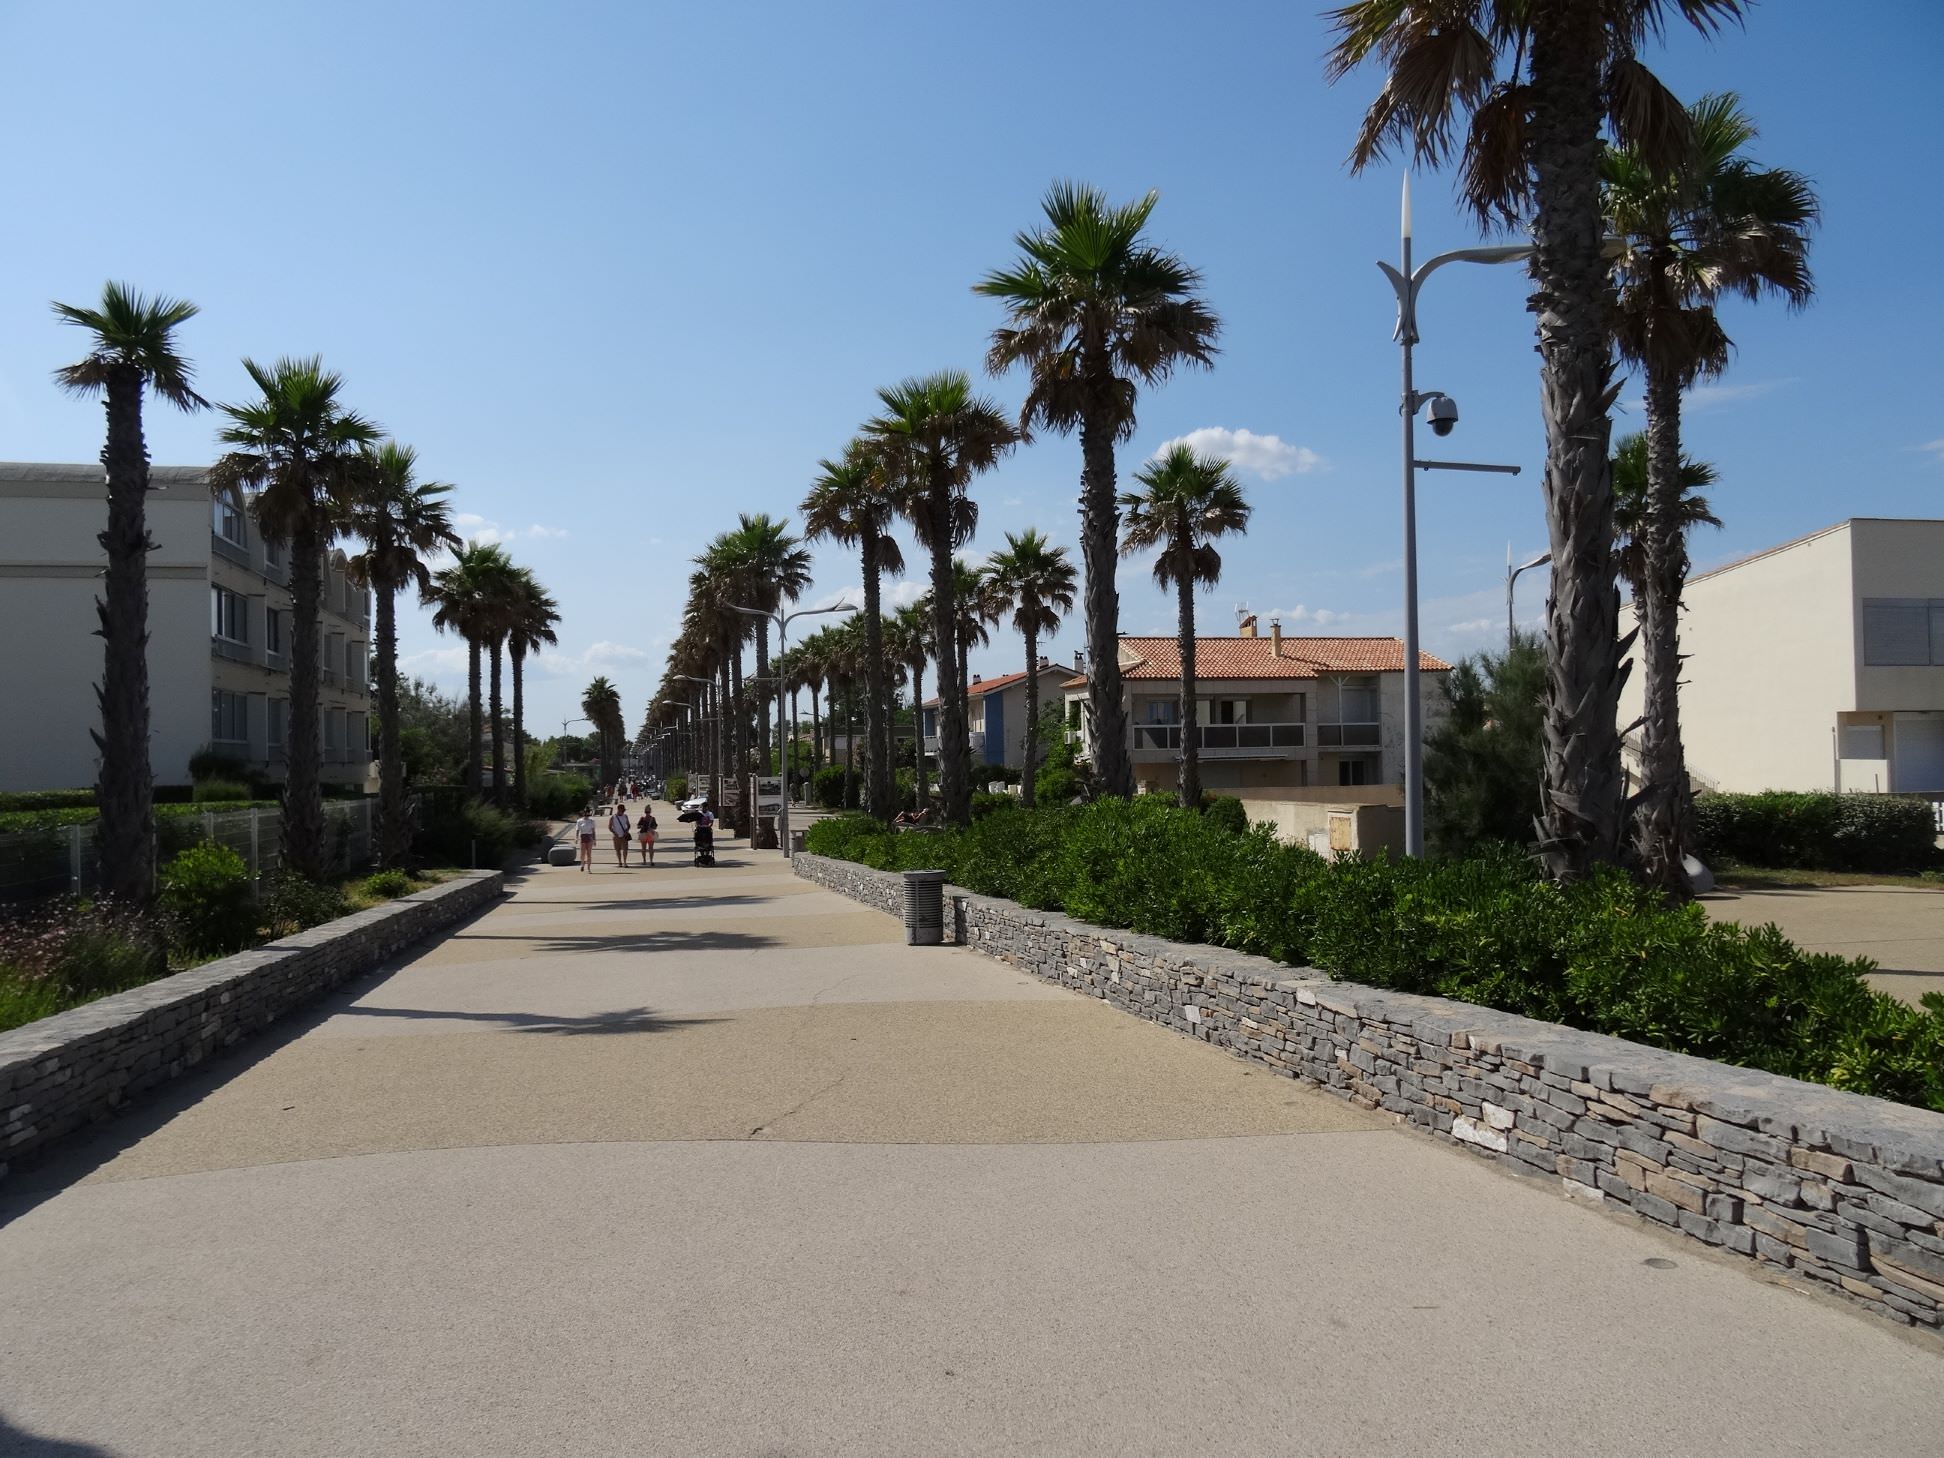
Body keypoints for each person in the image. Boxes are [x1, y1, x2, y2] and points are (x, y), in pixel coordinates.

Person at [608, 803, 632, 867]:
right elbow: (610, 827)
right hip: (616, 836)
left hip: (624, 835)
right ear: (618, 809)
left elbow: (628, 825)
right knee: (617, 849)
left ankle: (625, 862)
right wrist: (614, 833)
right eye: (622, 810)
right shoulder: (613, 817)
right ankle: (619, 862)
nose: (623, 811)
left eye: (624, 810)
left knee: (625, 849)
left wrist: (626, 831)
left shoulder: (625, 816)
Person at [575, 808, 597, 873]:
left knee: (589, 853)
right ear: (583, 813)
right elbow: (577, 830)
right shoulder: (579, 821)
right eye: (585, 813)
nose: (586, 815)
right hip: (583, 836)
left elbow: (593, 831)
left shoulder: (592, 821)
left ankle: (588, 868)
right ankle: (582, 864)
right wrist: (576, 838)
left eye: (588, 813)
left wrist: (594, 840)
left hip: (589, 836)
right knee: (582, 853)